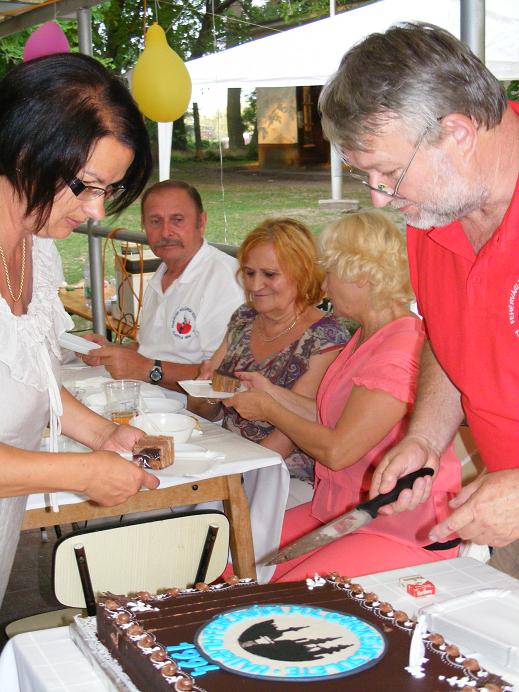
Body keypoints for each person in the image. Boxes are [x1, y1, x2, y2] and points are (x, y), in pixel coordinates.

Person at [318, 22, 519, 574]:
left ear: (457, 133)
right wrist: (426, 437)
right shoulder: (436, 214)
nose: (381, 198)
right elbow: (448, 336)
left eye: (389, 171)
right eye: (366, 175)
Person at [0, 53, 161, 605]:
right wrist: (81, 473)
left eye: (107, 192)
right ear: (26, 150)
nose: (95, 212)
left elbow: (30, 375)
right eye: (86, 186)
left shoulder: (36, 247)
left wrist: (100, 435)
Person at [228, 211, 460, 580]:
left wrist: (270, 409)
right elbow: (329, 416)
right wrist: (271, 392)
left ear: (361, 276)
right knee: (231, 566)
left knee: (283, 593)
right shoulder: (368, 334)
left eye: (330, 273)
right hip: (342, 511)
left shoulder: (400, 349)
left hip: (399, 526)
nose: (323, 285)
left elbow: (338, 450)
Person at [192, 217, 348, 483]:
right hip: (228, 459)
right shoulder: (244, 318)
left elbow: (287, 437)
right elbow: (205, 412)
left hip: (282, 477)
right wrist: (204, 392)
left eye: (270, 274)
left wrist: (227, 480)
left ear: (302, 273)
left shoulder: (325, 338)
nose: (255, 286)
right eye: (249, 273)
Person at [81, 180, 243, 398]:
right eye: (155, 221)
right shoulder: (163, 272)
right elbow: (151, 348)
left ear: (201, 222)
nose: (166, 232)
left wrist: (149, 370)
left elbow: (227, 378)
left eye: (177, 220)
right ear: (144, 226)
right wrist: (109, 351)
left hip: (192, 412)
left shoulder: (225, 280)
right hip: (150, 401)